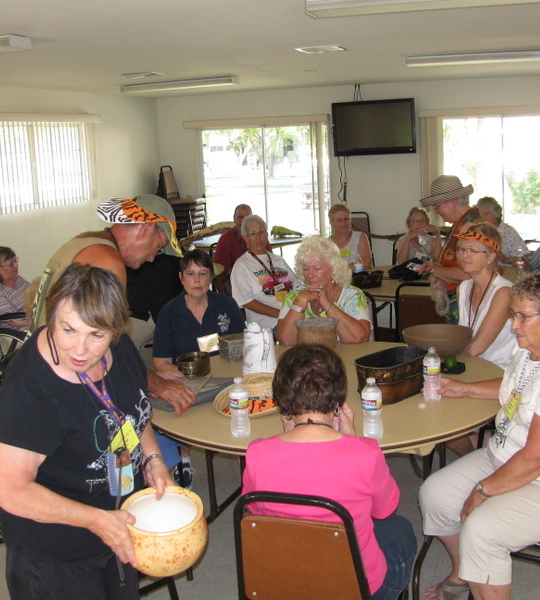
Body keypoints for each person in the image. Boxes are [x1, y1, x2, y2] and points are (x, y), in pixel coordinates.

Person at [0, 265, 174, 600]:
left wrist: (153, 459)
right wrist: (96, 520)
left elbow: (134, 413)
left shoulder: (121, 350)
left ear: (116, 329)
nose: (79, 349)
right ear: (51, 318)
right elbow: (5, 489)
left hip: (116, 528)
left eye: (96, 335)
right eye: (68, 330)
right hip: (56, 553)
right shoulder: (30, 388)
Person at [418, 270, 540, 600]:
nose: (513, 325)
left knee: (482, 530)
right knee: (434, 494)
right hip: (505, 456)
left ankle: (479, 571)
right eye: (512, 314)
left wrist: (484, 490)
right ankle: (464, 572)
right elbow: (516, 386)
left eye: (523, 317)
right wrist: (465, 389)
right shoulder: (531, 348)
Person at [242, 344, 417, 600]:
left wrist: (286, 435)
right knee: (399, 527)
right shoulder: (365, 454)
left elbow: (256, 512)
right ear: (338, 401)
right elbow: (384, 509)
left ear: (282, 400)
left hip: (283, 584)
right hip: (356, 588)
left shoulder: (257, 453)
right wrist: (353, 439)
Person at [26, 194, 195, 416]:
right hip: (58, 386)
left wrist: (147, 378)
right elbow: (109, 348)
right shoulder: (107, 261)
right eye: (158, 247)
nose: (153, 258)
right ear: (146, 228)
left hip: (36, 367)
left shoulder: (84, 241)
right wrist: (159, 386)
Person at [151, 249, 244, 487]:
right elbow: (161, 362)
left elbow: (242, 346)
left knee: (239, 411)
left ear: (211, 277)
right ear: (181, 278)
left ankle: (244, 464)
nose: (197, 280)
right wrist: (179, 375)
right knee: (182, 412)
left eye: (203, 273)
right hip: (189, 382)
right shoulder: (169, 312)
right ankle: (184, 459)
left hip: (227, 379)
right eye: (191, 274)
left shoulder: (226, 305)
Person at [416, 175, 486, 324]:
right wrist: (437, 267)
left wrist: (436, 271)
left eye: (437, 206)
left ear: (453, 203)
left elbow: (469, 273)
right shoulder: (461, 224)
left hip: (470, 306)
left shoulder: (472, 227)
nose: (436, 212)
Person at [277, 236, 372, 345]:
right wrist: (301, 301)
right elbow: (286, 340)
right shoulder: (294, 297)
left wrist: (327, 304)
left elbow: (360, 338)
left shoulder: (352, 295)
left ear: (334, 268)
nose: (310, 275)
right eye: (306, 269)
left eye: (317, 268)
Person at [455, 224, 516, 369]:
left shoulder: (504, 293)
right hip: (472, 365)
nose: (465, 255)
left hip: (500, 370)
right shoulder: (463, 288)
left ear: (490, 257)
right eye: (462, 249)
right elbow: (463, 337)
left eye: (473, 250)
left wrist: (442, 353)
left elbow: (476, 349)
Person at [230, 214, 299, 332]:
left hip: (291, 315)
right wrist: (281, 314)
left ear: (267, 235)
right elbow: (246, 301)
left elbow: (297, 288)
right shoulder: (241, 265)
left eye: (261, 231)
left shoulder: (279, 260)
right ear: (246, 238)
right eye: (253, 233)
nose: (258, 237)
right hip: (267, 323)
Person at [125, 254, 183, 349]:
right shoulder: (127, 256)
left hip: (172, 316)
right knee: (121, 347)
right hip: (137, 316)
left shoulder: (174, 257)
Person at [212, 204, 271, 294]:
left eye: (248, 217)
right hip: (236, 283)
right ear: (234, 219)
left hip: (262, 278)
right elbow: (217, 274)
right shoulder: (226, 239)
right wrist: (226, 299)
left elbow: (271, 263)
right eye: (240, 217)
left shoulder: (260, 237)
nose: (244, 221)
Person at [475, 197, 527, 265]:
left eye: (486, 214)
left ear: (496, 214)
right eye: (480, 216)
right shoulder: (476, 232)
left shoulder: (508, 232)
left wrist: (506, 259)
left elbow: (526, 256)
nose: (483, 219)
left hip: (505, 270)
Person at [328, 204, 373, 270]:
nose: (343, 223)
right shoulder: (326, 243)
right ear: (331, 222)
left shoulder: (360, 237)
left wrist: (341, 268)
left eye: (346, 219)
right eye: (339, 220)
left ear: (350, 220)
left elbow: (367, 263)